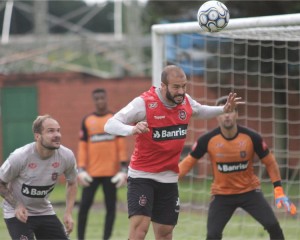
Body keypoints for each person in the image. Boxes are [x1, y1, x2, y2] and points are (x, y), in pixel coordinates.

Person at [104, 65, 244, 240]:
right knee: (140, 230)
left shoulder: (185, 101)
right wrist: (131, 130)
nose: (181, 91)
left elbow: (200, 110)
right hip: (142, 175)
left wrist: (223, 109)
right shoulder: (144, 103)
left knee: (165, 232)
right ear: (163, 86)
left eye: (184, 86)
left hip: (169, 177)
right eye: (176, 87)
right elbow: (109, 124)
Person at [179, 95, 297, 240]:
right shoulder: (207, 140)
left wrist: (278, 191)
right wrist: (168, 181)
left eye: (231, 111)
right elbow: (188, 163)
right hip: (221, 195)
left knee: (273, 226)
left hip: (250, 192)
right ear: (217, 116)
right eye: (223, 112)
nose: (227, 116)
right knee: (212, 235)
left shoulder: (252, 137)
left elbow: (270, 162)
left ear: (237, 114)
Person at [0, 114, 78, 240]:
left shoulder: (66, 156)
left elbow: (72, 182)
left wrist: (68, 213)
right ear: (37, 136)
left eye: (58, 130)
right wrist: (17, 205)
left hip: (44, 211)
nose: (57, 135)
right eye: (50, 131)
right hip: (17, 214)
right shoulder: (20, 156)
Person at [77, 88, 129, 240]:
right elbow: (82, 147)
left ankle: (106, 238)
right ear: (94, 100)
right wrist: (81, 168)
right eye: (97, 99)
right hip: (91, 174)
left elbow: (121, 146)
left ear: (106, 99)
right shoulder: (87, 120)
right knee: (83, 208)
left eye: (102, 98)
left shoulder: (114, 119)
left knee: (111, 209)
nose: (100, 101)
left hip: (111, 174)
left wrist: (123, 169)